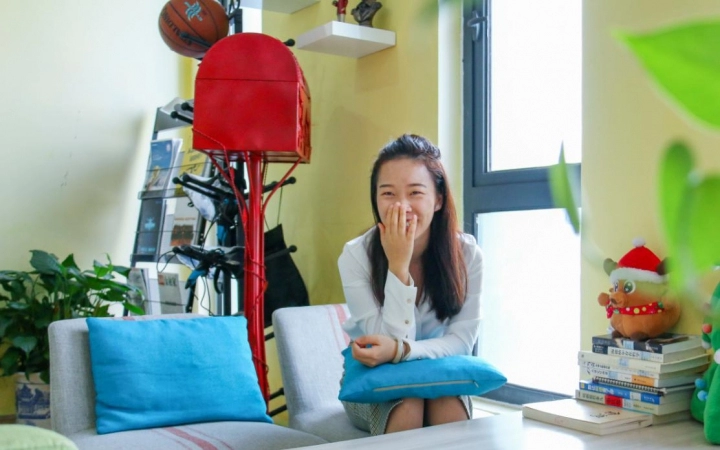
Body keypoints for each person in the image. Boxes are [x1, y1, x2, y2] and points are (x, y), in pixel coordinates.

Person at [338, 134, 483, 435]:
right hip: (375, 380)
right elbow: (383, 345)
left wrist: (402, 350)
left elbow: (461, 343)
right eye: (388, 194)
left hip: (439, 375)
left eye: (415, 192)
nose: (401, 206)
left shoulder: (467, 255)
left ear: (438, 199)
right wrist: (398, 266)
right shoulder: (356, 256)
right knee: (408, 401)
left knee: (444, 400)